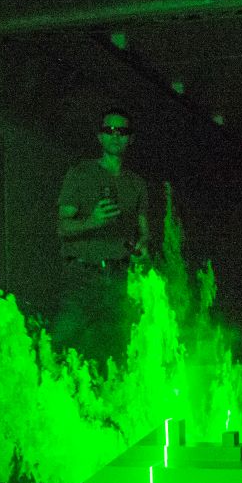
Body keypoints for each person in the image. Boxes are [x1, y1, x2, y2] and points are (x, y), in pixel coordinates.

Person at [53, 108, 150, 365]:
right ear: (99, 137)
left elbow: (144, 232)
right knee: (65, 345)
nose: (115, 136)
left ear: (131, 138)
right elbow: (62, 227)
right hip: (83, 275)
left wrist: (141, 247)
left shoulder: (137, 184)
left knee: (114, 350)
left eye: (122, 131)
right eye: (109, 130)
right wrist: (93, 221)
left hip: (118, 277)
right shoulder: (81, 173)